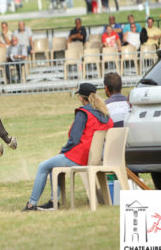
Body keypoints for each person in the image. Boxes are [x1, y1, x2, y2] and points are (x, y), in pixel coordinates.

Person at [23, 83, 113, 211]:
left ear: (82, 98)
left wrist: (63, 151)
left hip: (80, 157)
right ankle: (53, 201)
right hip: (95, 157)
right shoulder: (105, 115)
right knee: (54, 165)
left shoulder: (83, 113)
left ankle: (31, 204)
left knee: (43, 166)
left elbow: (74, 139)